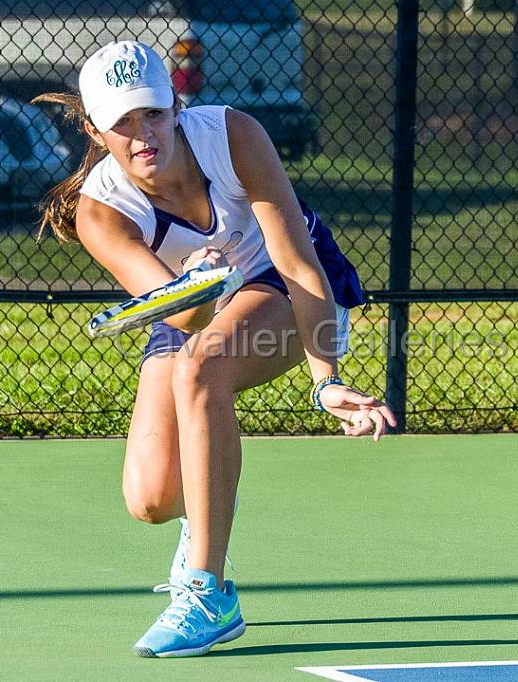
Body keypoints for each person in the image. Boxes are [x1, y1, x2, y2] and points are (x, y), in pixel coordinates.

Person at [33, 40, 397, 658]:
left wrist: (326, 378)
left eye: (152, 112)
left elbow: (297, 263)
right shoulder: (101, 212)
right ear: (95, 129)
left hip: (286, 286)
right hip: (189, 303)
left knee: (201, 371)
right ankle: (198, 520)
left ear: (175, 106)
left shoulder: (234, 136)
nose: (142, 133)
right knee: (150, 498)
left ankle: (208, 590)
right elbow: (184, 315)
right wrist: (198, 290)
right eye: (121, 121)